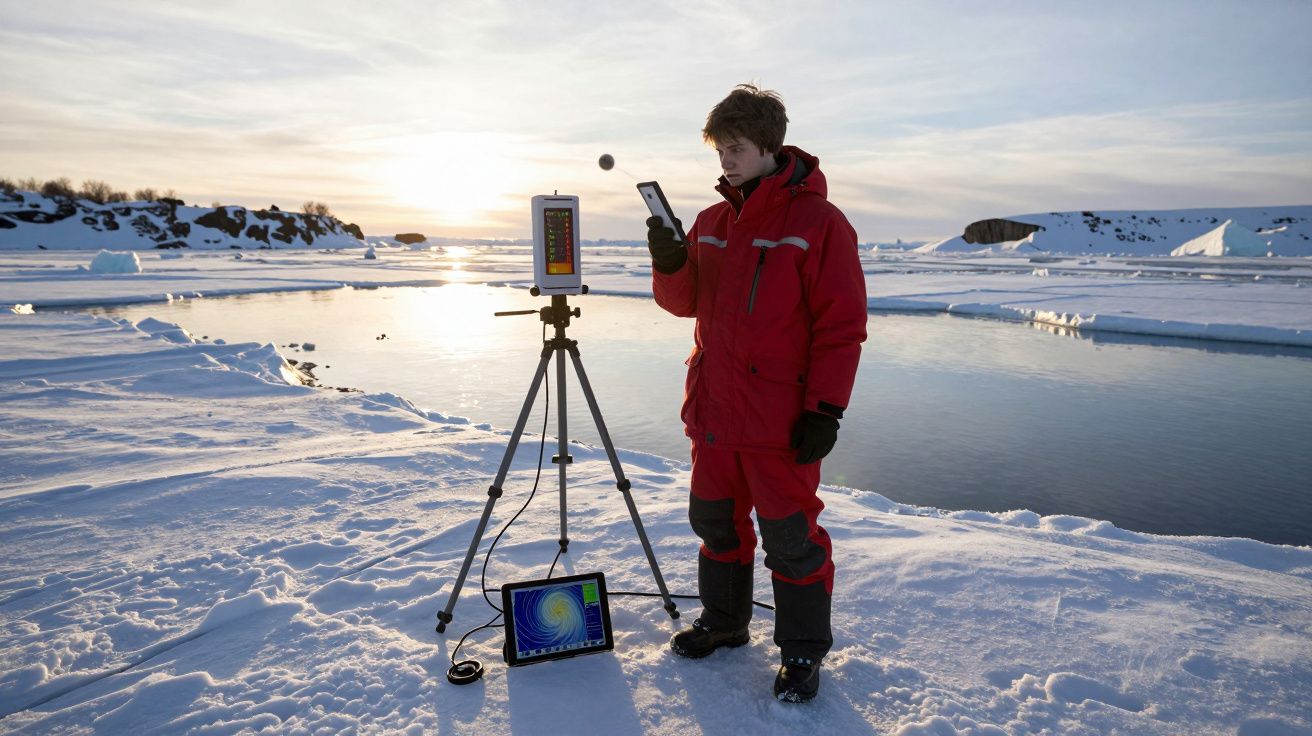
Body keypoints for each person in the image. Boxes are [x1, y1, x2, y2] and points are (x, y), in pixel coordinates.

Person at [647, 83, 868, 703]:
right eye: (720, 148)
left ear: (771, 147)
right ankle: (724, 623)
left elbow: (842, 327)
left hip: (778, 420)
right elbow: (684, 303)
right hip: (715, 412)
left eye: (737, 147)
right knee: (714, 522)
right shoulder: (711, 222)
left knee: (791, 539)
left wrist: (825, 409)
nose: (726, 160)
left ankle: (801, 652)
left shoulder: (819, 224)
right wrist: (669, 262)